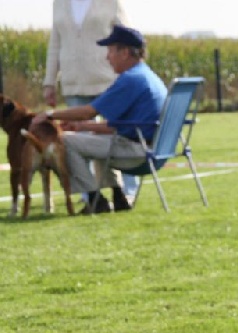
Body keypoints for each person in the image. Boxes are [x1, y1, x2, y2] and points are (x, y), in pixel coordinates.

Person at [32, 24, 167, 215]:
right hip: (154, 150)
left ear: (125, 53)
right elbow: (122, 126)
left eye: (110, 51)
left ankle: (95, 199)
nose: (107, 57)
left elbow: (88, 111)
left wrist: (49, 115)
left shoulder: (130, 79)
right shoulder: (147, 76)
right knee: (95, 137)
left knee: (65, 141)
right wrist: (81, 127)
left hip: (136, 153)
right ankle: (118, 196)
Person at [43, 0, 140, 206]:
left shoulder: (111, 2)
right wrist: (49, 82)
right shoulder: (59, 3)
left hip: (108, 81)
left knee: (118, 135)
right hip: (73, 83)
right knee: (76, 141)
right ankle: (89, 194)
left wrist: (133, 79)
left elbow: (129, 37)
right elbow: (55, 43)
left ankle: (127, 191)